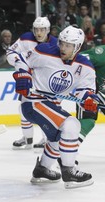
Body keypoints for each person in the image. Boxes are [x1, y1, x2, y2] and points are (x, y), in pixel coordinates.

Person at [13, 25, 96, 189]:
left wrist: (88, 98)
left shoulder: (85, 67)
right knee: (72, 125)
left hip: (51, 105)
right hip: (33, 102)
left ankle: (42, 170)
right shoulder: (44, 50)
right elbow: (21, 60)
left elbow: (85, 90)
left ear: (77, 47)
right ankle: (69, 171)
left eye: (68, 45)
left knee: (59, 138)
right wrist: (23, 75)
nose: (63, 48)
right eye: (62, 43)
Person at [7, 16, 57, 150]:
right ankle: (27, 138)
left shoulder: (56, 43)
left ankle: (47, 139)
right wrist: (19, 62)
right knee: (23, 109)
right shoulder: (26, 38)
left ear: (47, 30)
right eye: (36, 29)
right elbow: (11, 52)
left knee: (46, 111)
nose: (39, 33)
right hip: (28, 80)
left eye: (42, 30)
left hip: (46, 83)